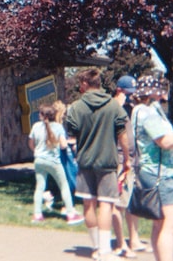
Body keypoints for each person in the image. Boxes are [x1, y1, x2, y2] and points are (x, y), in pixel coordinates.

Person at [66, 68, 131, 261]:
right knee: (106, 205)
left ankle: (96, 246)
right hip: (108, 161)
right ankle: (104, 250)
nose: (79, 86)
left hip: (85, 162)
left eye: (80, 83)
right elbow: (123, 136)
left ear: (86, 83)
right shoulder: (113, 106)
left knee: (89, 203)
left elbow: (72, 134)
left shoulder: (76, 107)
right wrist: (126, 159)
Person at [132, 75, 173, 261]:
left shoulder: (143, 110)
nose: (163, 95)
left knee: (160, 225)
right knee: (171, 225)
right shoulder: (147, 113)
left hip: (153, 173)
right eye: (160, 91)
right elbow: (166, 142)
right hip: (161, 176)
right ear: (152, 92)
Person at [111, 76, 150, 258]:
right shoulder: (113, 108)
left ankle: (134, 239)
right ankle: (120, 244)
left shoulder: (129, 109)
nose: (131, 98)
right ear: (119, 90)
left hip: (132, 160)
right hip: (120, 160)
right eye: (128, 94)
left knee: (132, 202)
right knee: (119, 203)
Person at [28, 104, 85, 225]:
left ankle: (37, 214)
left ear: (42, 116)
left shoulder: (36, 126)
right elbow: (63, 145)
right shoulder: (58, 127)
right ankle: (70, 213)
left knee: (40, 187)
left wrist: (37, 151)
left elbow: (31, 143)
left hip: (39, 159)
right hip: (53, 161)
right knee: (64, 186)